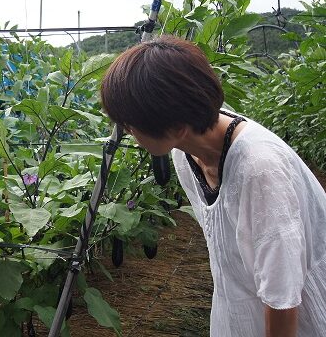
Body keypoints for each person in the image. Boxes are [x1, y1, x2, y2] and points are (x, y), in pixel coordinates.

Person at [100, 35, 326, 337]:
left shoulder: (259, 169)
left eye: (130, 125)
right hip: (241, 306)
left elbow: (283, 297)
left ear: (176, 128)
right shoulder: (186, 153)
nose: (128, 132)